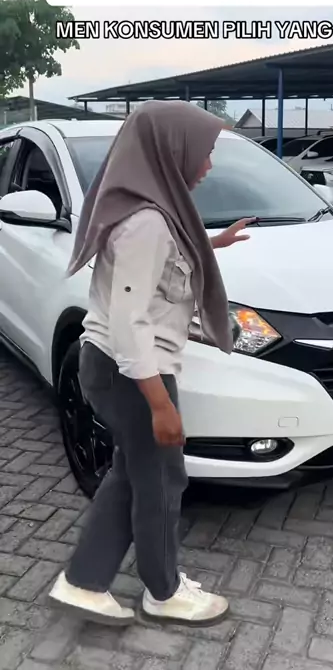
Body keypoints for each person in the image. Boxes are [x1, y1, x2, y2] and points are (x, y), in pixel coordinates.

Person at [48, 101, 253, 627]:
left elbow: (162, 268)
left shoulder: (156, 213)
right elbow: (130, 321)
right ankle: (163, 592)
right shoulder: (147, 223)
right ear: (171, 150)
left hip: (118, 367)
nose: (208, 164)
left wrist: (214, 242)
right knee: (162, 477)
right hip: (130, 372)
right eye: (204, 152)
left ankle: (84, 581)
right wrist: (160, 405)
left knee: (133, 473)